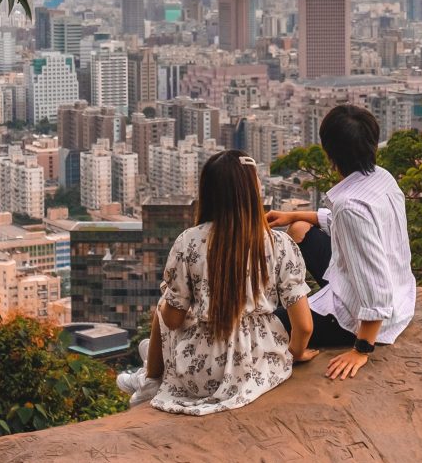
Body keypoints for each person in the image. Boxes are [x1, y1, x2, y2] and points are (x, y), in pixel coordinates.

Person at [119, 149, 318, 414]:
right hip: (258, 366)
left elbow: (174, 319)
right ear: (252, 190)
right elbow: (304, 326)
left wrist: (169, 298)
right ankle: (150, 374)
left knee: (166, 302)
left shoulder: (189, 241)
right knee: (171, 300)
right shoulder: (278, 243)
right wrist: (294, 354)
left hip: (198, 373)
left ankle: (150, 378)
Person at [266, 102, 416, 381]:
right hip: (395, 293)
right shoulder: (382, 178)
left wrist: (361, 349)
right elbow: (348, 225)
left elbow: (376, 284)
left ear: (328, 153)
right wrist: (294, 215)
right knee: (299, 229)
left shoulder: (350, 207)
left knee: (267, 326)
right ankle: (303, 301)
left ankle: (302, 308)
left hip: (360, 318)